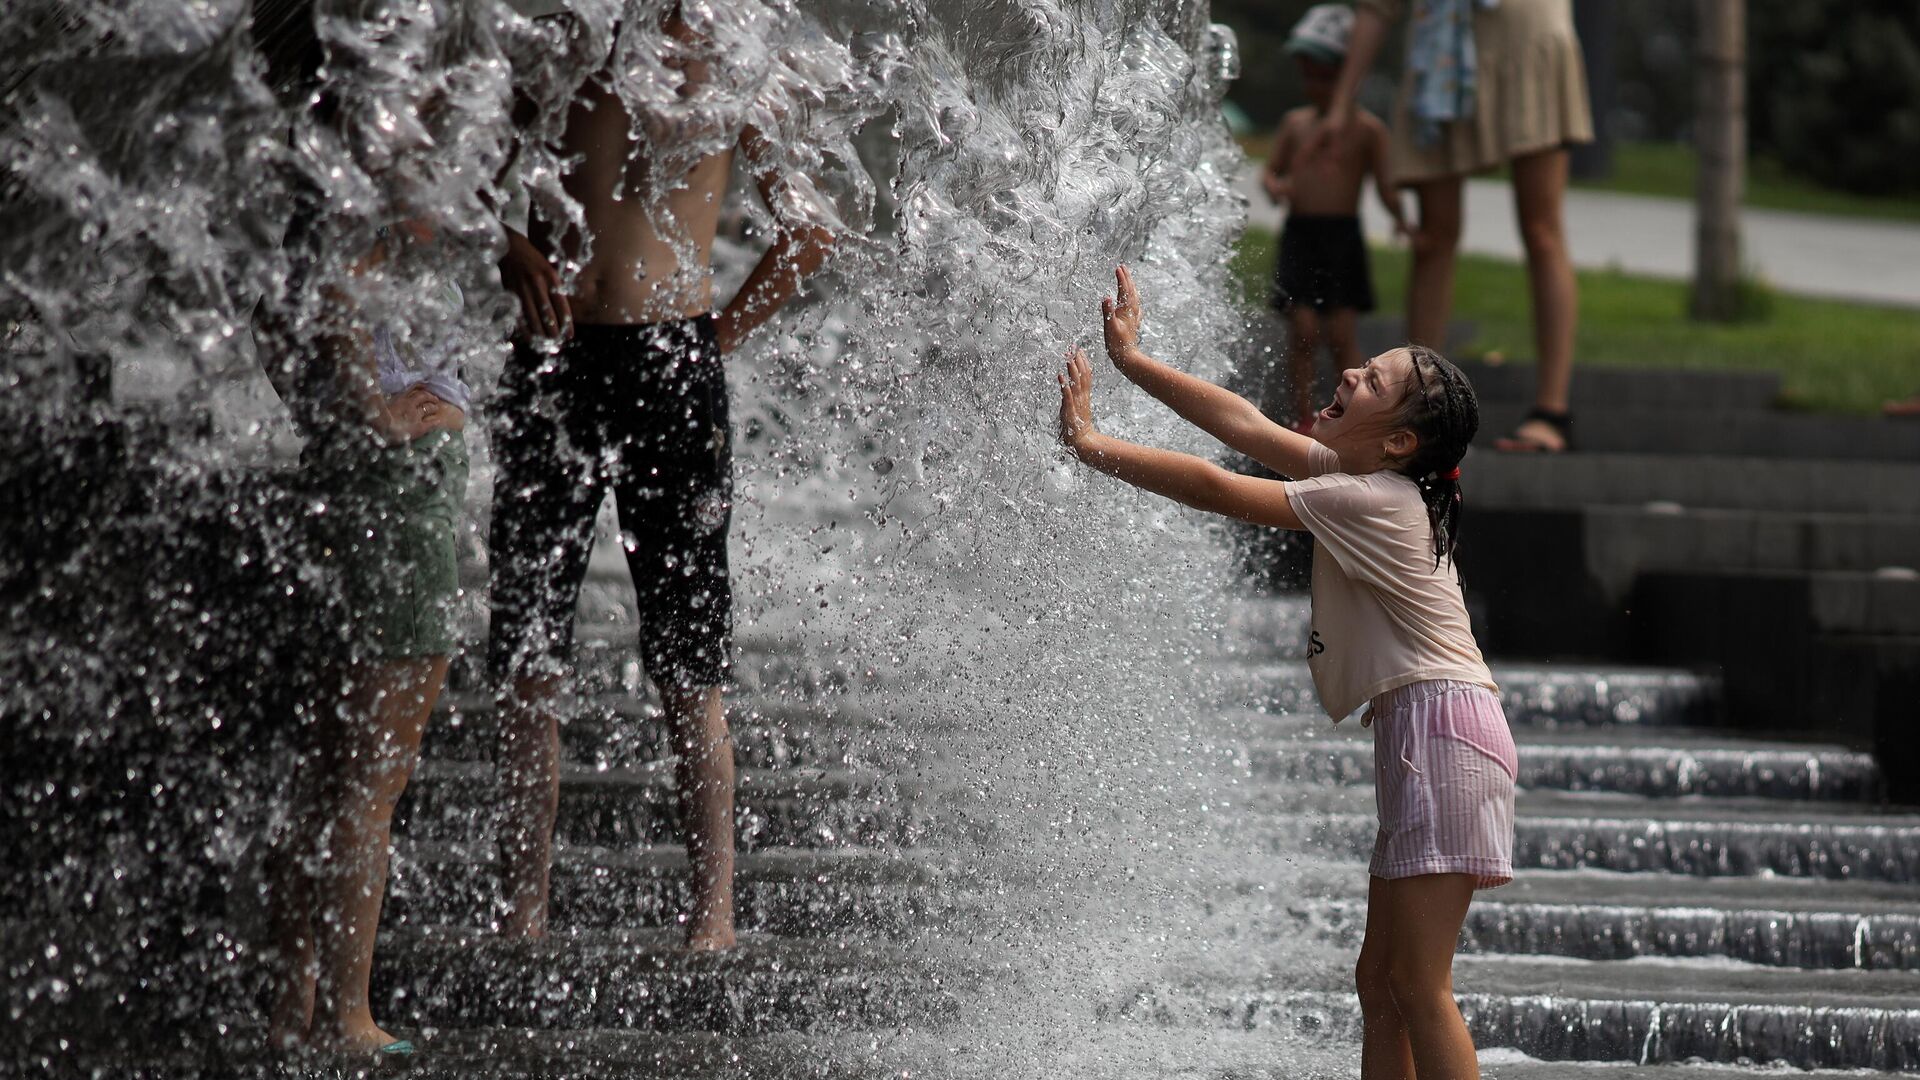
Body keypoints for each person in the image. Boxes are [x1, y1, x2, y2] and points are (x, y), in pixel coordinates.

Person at [1058, 266, 1515, 1080]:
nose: (1349, 371)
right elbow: (1241, 424)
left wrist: (1094, 445)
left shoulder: (1371, 499)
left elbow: (1217, 485)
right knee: (1380, 982)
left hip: (1444, 735)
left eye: (1372, 381)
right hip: (1435, 734)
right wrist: (1133, 361)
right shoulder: (1366, 479)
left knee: (1418, 982)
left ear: (1400, 442)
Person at [488, 7, 837, 949]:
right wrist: (510, 245)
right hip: (552, 359)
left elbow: (811, 231)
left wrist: (716, 336)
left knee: (692, 657)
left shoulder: (737, 63)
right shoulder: (560, 44)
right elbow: (463, 180)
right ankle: (525, 911)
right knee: (528, 649)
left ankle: (713, 915)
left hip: (672, 362)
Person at [261, 220, 472, 1060]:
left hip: (345, 483)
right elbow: (347, 277)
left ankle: (293, 1005)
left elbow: (270, 313)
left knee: (320, 769)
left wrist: (326, 412)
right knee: (368, 783)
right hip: (400, 487)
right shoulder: (390, 190)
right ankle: (349, 1018)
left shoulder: (323, 183)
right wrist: (371, 409)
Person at [1313, 0, 1592, 452]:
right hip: (1438, 50)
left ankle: (1551, 412)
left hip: (1529, 36)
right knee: (1434, 239)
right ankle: (1417, 413)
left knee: (1541, 229)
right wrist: (1342, 103)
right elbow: (1376, 8)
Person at [1258, 4, 1413, 434]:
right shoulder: (1296, 124)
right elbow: (1272, 171)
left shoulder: (1367, 131)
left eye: (1326, 78)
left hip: (1342, 237)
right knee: (1303, 329)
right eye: (1309, 77)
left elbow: (1384, 185)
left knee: (1343, 333)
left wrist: (1402, 218)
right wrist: (1275, 186)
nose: (1318, 88)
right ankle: (1303, 416)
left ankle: (1357, 418)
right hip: (1302, 235)